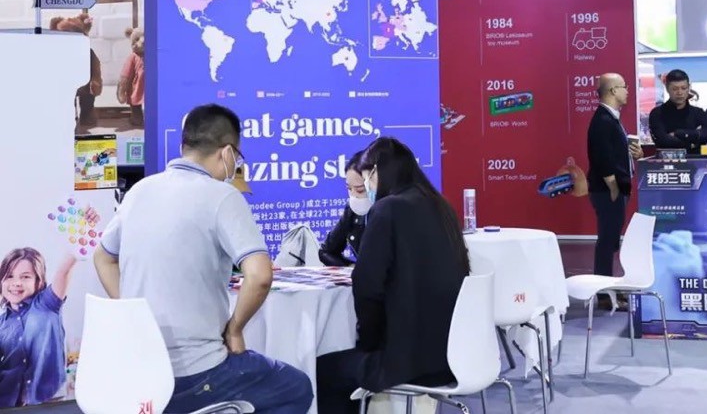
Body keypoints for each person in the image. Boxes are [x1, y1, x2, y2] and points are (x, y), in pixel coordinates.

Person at [93, 104, 312, 414]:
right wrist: (234, 330)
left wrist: (133, 312)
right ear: (227, 153)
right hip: (197, 373)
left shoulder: (140, 191)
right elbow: (261, 275)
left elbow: (102, 257)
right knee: (296, 387)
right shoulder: (222, 196)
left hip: (139, 371)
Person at [315, 137, 470, 414]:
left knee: (320, 370)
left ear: (376, 173)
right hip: (451, 355)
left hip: (405, 362)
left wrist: (368, 344)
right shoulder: (441, 206)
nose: (366, 188)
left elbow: (367, 285)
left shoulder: (387, 209)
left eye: (366, 179)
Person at [0, 238, 93, 407]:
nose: (16, 283)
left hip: (48, 402)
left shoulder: (47, 304)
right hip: (8, 405)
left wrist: (80, 238)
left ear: (39, 281)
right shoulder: (2, 323)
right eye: (9, 276)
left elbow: (64, 270)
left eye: (25, 277)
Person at [587, 73, 643, 290]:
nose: (627, 91)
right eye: (624, 87)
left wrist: (634, 154)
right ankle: (603, 290)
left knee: (610, 240)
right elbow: (601, 157)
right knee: (607, 240)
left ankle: (607, 286)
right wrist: (613, 187)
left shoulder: (612, 118)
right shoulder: (603, 120)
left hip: (616, 188)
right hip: (608, 190)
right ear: (612, 91)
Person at [319, 152, 370, 266]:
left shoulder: (397, 210)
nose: (354, 195)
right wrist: (353, 268)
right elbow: (326, 251)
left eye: (360, 190)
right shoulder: (352, 210)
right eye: (349, 188)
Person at [648, 69, 707, 153]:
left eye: (683, 88)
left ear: (689, 88)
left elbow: (705, 136)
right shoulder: (657, 113)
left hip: (694, 160)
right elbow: (663, 141)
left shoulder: (698, 113)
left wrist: (678, 133)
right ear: (667, 88)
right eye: (675, 89)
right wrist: (692, 141)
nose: (680, 92)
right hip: (666, 160)